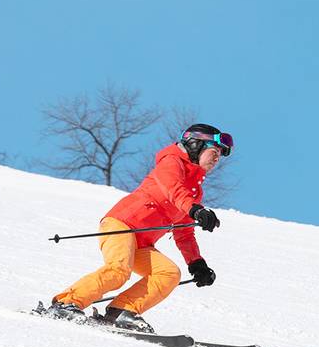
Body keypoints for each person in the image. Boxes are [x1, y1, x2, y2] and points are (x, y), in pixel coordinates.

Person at [46, 124, 232, 333]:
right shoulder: (171, 162)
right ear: (196, 144)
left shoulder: (194, 193)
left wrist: (197, 264)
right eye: (214, 152)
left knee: (169, 273)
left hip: (142, 242)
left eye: (220, 156)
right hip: (121, 225)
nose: (217, 158)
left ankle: (122, 311)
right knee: (118, 271)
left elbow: (184, 232)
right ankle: (65, 303)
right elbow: (173, 189)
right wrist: (195, 210)